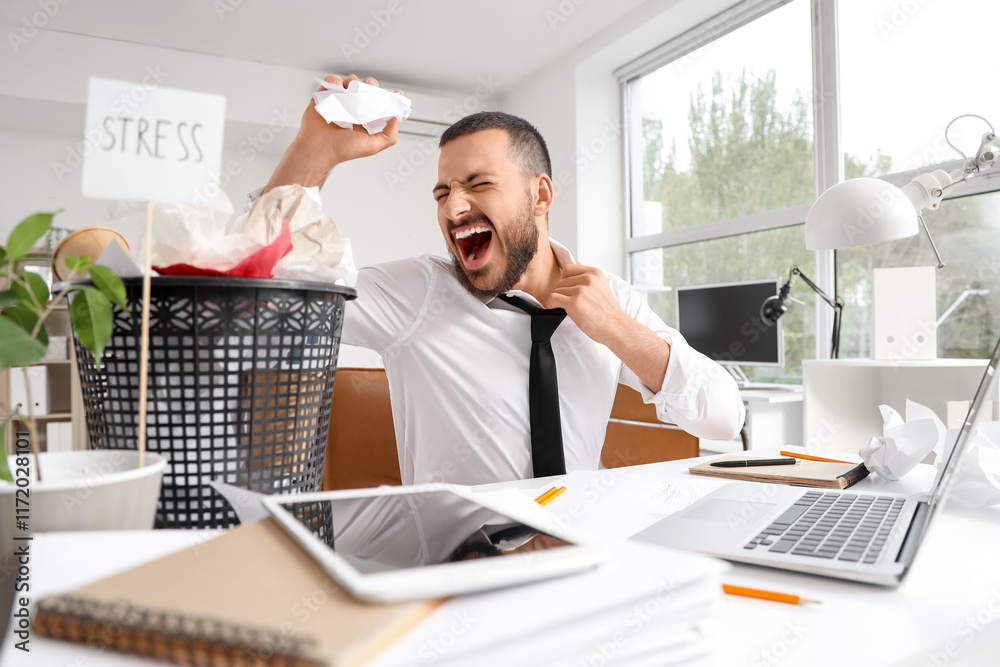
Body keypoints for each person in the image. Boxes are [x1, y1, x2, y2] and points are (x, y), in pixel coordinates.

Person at [255, 74, 745, 486]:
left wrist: (615, 329)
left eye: (479, 184)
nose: (453, 207)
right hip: (460, 574)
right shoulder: (416, 294)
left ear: (541, 194)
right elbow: (264, 285)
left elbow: (722, 416)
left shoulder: (607, 299)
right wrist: (313, 149)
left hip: (577, 558)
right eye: (442, 192)